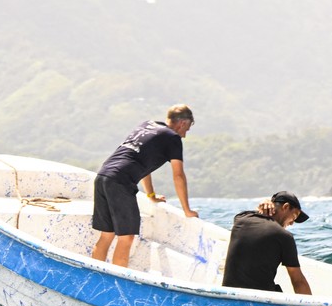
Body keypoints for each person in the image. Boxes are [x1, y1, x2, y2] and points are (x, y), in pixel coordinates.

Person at [89, 104, 197, 269]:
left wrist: (151, 195)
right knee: (126, 238)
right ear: (182, 123)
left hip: (103, 176)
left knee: (106, 235)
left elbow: (143, 164)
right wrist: (187, 210)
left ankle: (94, 277)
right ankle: (118, 281)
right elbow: (178, 175)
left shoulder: (148, 125)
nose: (185, 135)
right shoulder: (173, 138)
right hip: (120, 182)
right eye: (187, 129)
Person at [221, 191, 312, 294]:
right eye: (294, 217)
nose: (291, 223)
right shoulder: (284, 236)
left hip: (229, 294)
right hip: (260, 299)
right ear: (286, 207)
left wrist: (265, 204)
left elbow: (253, 214)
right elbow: (298, 281)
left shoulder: (240, 219)